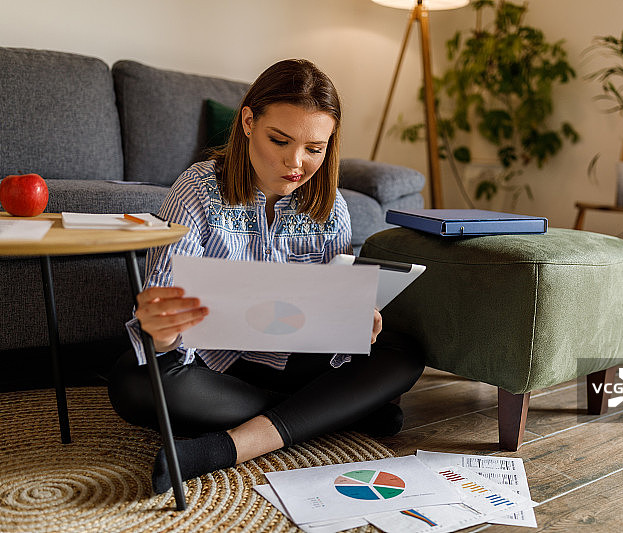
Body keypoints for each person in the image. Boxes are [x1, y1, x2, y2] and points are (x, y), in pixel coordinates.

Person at [107, 59, 425, 494]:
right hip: (218, 371)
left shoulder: (332, 209)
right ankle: (332, 411)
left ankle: (225, 448)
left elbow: (332, 308)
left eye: (314, 148)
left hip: (298, 365)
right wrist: (161, 334)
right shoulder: (197, 190)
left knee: (403, 352)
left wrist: (353, 323)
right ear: (249, 121)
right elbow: (161, 327)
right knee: (132, 382)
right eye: (280, 140)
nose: (296, 162)